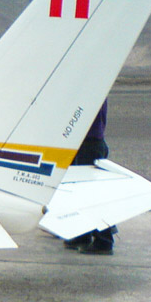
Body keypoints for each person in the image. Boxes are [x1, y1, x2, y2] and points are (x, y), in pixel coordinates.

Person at [64, 100, 117, 255]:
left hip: (89, 142)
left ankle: (104, 240)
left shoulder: (91, 91)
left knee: (92, 195)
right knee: (78, 192)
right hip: (85, 141)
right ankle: (83, 234)